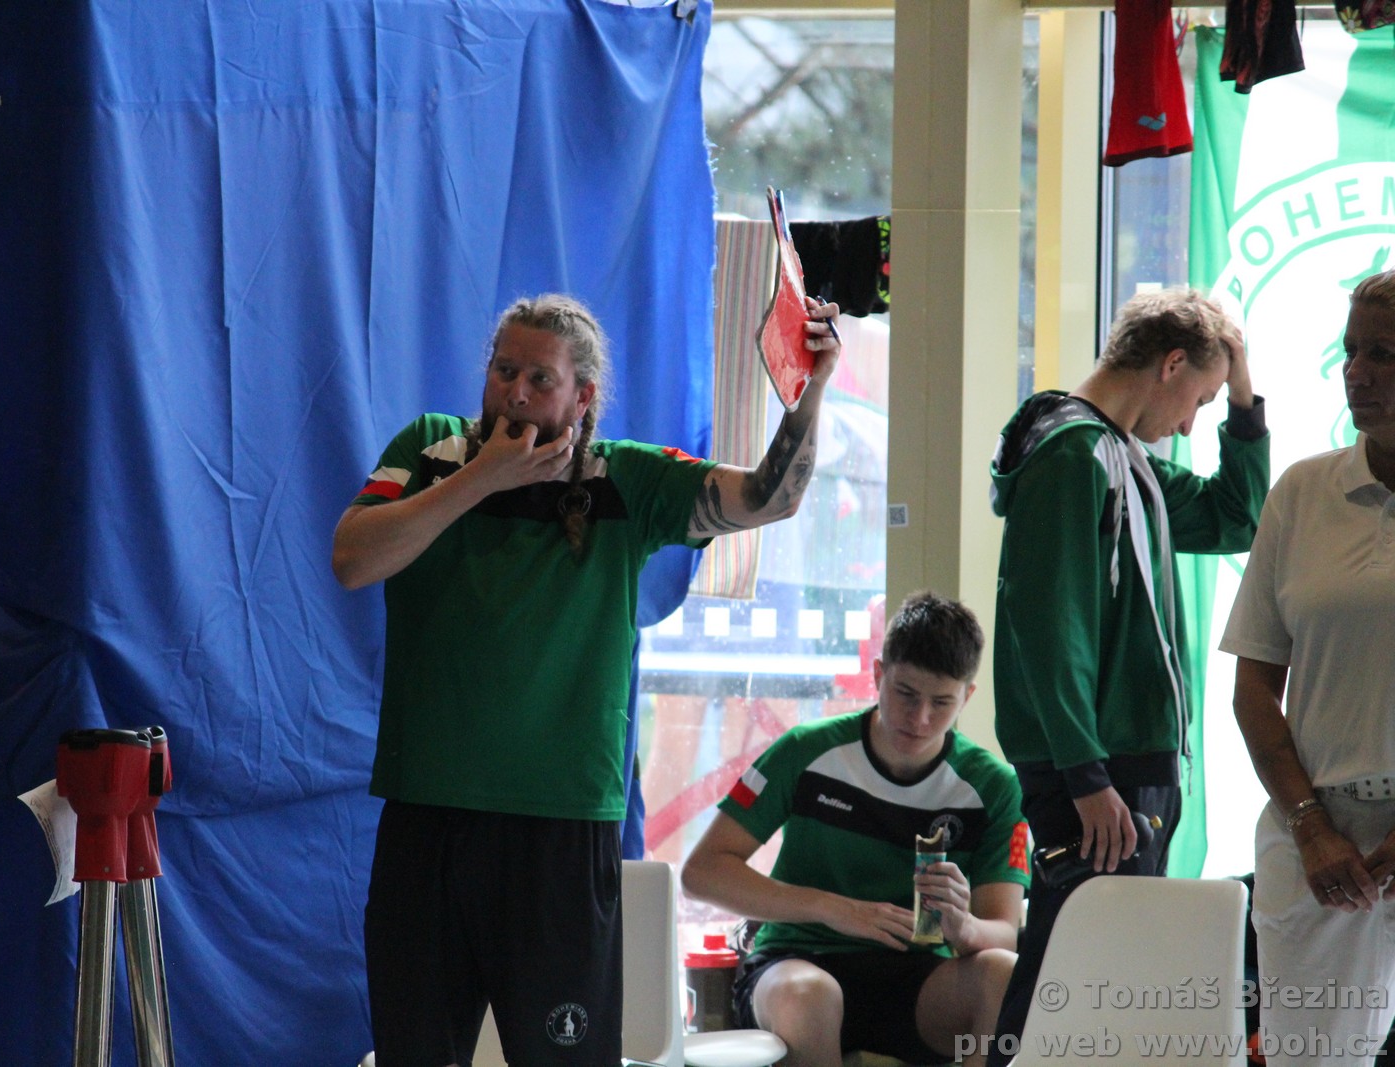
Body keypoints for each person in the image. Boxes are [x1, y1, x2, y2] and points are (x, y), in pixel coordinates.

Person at [332, 292, 842, 1066]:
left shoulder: (623, 478)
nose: (516, 391)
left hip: (561, 832)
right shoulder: (432, 449)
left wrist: (810, 392)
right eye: (504, 370)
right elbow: (352, 558)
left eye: (540, 378)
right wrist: (483, 479)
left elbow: (771, 497)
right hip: (428, 820)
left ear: (582, 396)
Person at [985, 287, 1269, 1064]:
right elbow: (1052, 626)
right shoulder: (1073, 455)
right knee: (1068, 978)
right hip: (1099, 769)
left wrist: (1244, 398)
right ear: (1170, 363)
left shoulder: (1122, 458)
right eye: (1200, 401)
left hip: (1125, 762)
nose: (1190, 425)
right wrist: (1085, 774)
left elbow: (1236, 516)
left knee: (1099, 981)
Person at [680, 592, 1027, 1067]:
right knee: (811, 996)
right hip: (796, 961)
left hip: (917, 977)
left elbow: (1003, 933)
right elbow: (700, 872)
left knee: (1002, 973)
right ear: (879, 675)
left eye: (942, 702)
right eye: (906, 694)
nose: (920, 718)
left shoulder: (994, 787)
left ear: (967, 697)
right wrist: (833, 909)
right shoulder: (805, 750)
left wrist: (964, 927)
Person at [1221, 270, 1395, 1067]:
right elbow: (1255, 687)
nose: (1357, 372)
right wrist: (1312, 827)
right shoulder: (1301, 492)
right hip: (1319, 845)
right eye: (1351, 351)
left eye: (1383, 354)